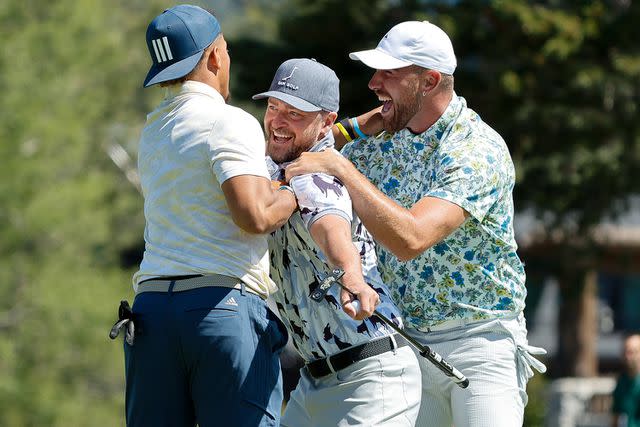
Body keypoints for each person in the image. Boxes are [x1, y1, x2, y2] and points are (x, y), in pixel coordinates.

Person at [286, 21, 547, 427]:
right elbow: (303, 150)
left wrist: (344, 169)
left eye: (389, 73)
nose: (373, 82)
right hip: (404, 346)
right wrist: (354, 128)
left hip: (480, 344)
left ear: (429, 81)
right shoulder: (377, 140)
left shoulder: (476, 149)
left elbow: (412, 238)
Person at [124, 5, 297, 427]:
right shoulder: (228, 120)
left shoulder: (153, 131)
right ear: (215, 56)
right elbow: (254, 215)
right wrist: (298, 189)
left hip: (151, 314)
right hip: (220, 307)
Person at [253, 58, 422, 426]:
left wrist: (352, 277)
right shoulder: (274, 164)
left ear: (324, 121)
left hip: (371, 378)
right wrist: (363, 123)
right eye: (273, 107)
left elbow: (330, 224)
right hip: (313, 381)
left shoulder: (317, 175)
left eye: (295, 113)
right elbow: (338, 132)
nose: (278, 121)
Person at [611, 333, 640, 427]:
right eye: (625, 352)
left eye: (632, 352)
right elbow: (615, 416)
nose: (628, 357)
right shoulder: (621, 383)